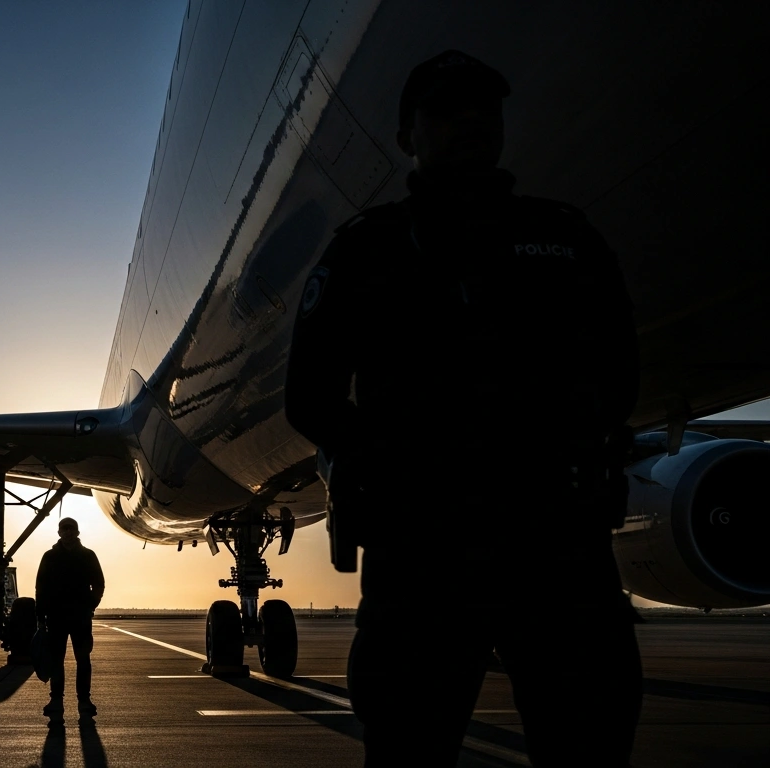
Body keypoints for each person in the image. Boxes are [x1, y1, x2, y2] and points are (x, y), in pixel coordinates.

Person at [285, 50, 641, 766]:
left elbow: (621, 376)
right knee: (409, 744)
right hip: (424, 554)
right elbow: (310, 397)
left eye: (485, 108)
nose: (471, 120)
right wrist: (388, 463)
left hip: (557, 549)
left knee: (590, 741)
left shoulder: (570, 242)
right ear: (407, 136)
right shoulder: (368, 251)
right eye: (446, 110)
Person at [35, 517, 105, 724]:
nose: (67, 532)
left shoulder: (88, 556)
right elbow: (41, 589)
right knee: (57, 661)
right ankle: (56, 700)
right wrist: (40, 617)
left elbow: (99, 583)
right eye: (64, 529)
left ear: (77, 532)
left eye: (70, 529)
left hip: (80, 617)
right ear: (59, 533)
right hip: (56, 618)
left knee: (83, 659)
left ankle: (84, 701)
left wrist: (90, 605)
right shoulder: (49, 557)